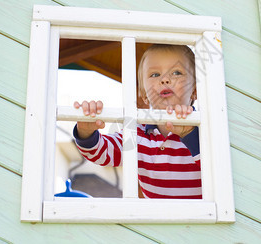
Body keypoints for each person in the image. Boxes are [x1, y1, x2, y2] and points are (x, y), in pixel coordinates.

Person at [73, 44, 201, 199]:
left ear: (194, 90)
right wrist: (86, 132)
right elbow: (103, 153)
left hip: (202, 219)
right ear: (144, 94)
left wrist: (190, 134)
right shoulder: (138, 132)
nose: (165, 79)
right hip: (158, 221)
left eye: (176, 72)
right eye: (155, 74)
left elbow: (218, 171)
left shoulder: (204, 127)